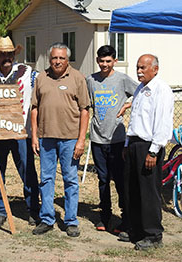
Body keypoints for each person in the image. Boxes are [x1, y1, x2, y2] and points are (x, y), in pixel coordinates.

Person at [0, 36, 40, 227]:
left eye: (9, 54)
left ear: (14, 54)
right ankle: (0, 210)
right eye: (2, 54)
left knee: (28, 171)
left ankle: (33, 209)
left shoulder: (28, 73)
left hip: (21, 131)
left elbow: (44, 86)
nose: (6, 57)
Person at [31, 43, 90, 237]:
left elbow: (84, 110)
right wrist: (34, 136)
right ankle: (47, 218)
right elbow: (34, 108)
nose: (57, 61)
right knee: (46, 179)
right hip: (46, 138)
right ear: (50, 59)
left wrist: (81, 140)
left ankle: (71, 221)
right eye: (54, 58)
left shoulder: (78, 78)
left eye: (61, 58)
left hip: (70, 139)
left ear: (68, 60)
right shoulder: (41, 77)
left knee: (70, 179)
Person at [123, 54, 174, 250]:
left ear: (155, 69)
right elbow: (135, 120)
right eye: (138, 67)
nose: (139, 71)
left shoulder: (161, 90)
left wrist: (153, 151)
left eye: (143, 68)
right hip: (135, 144)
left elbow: (162, 123)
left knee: (148, 191)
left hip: (149, 145)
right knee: (133, 189)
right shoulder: (139, 89)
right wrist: (127, 145)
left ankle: (153, 234)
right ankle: (137, 230)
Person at [86, 45, 138, 236]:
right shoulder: (91, 80)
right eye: (101, 61)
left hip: (117, 139)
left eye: (108, 61)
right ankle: (104, 216)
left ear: (115, 61)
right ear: (97, 60)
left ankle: (126, 217)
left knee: (120, 180)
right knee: (102, 179)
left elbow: (139, 92)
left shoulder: (122, 79)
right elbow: (84, 102)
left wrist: (126, 105)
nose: (105, 64)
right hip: (98, 139)